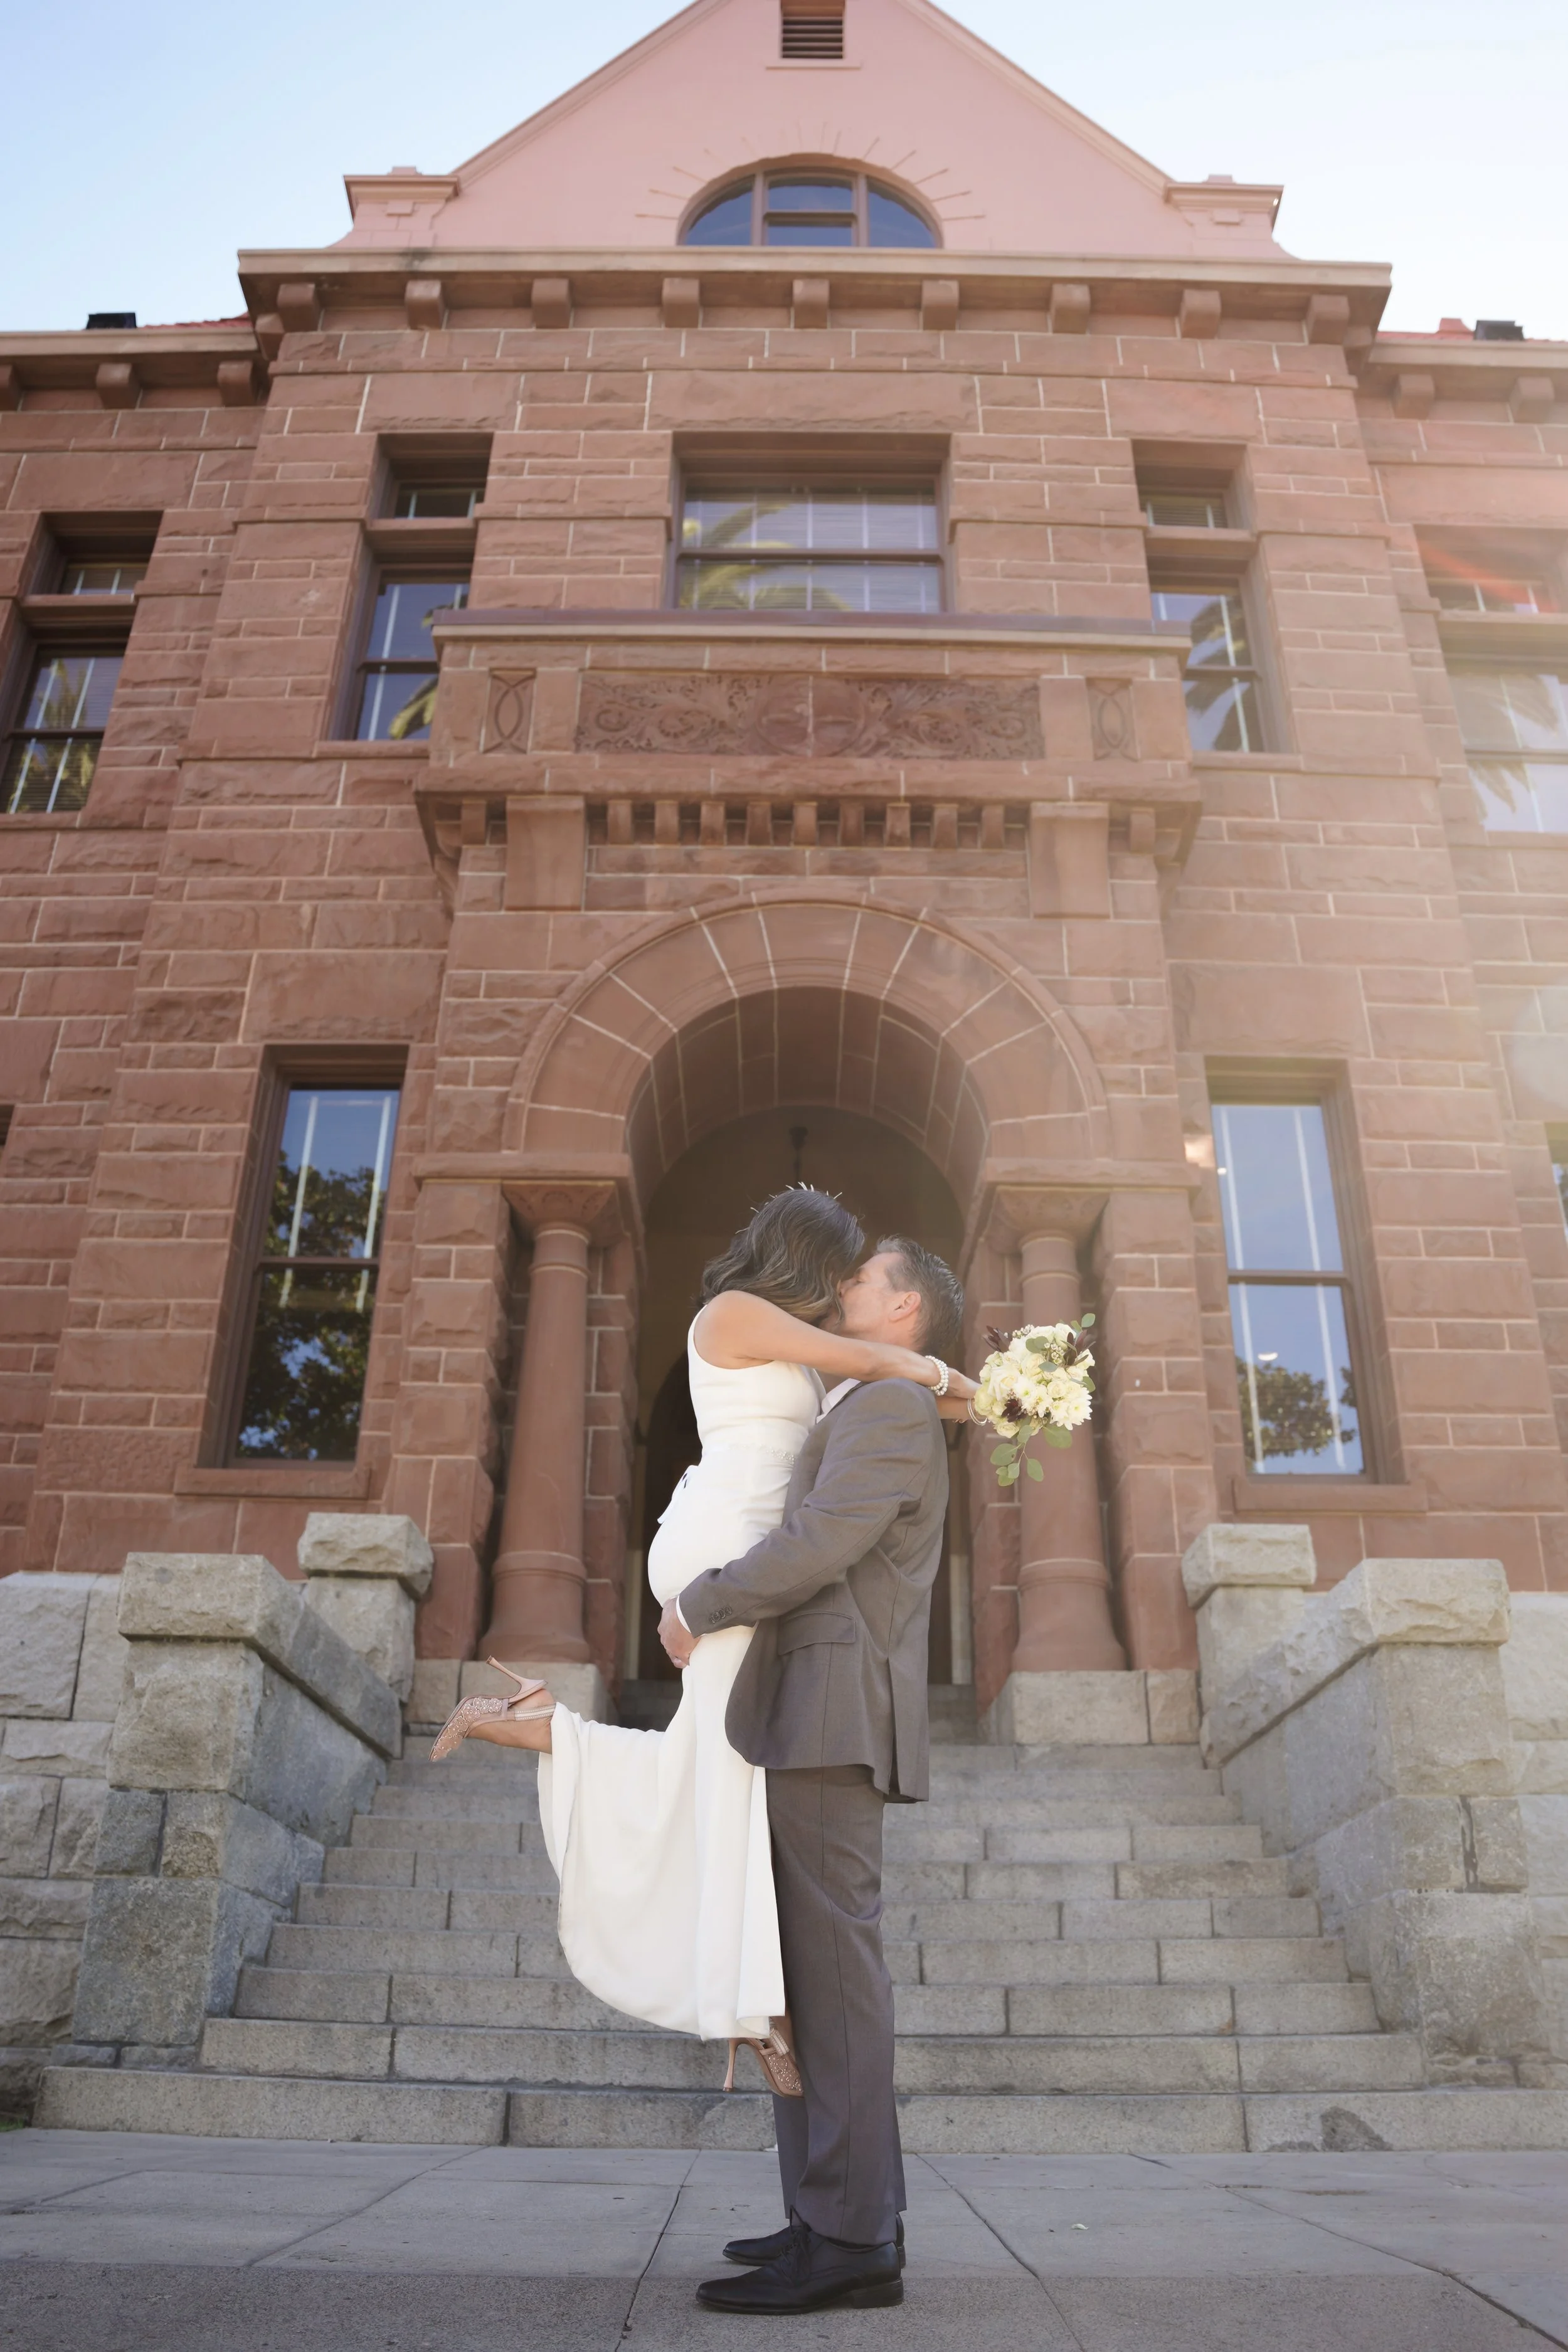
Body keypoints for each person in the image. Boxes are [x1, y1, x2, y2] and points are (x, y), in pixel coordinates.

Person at [427, 1191, 973, 2132]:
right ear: (801, 1256)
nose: (843, 1286)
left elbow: (882, 1386)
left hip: (747, 1558)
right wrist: (950, 1377)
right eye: (838, 1266)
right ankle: (749, 2004)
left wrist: (1003, 1398)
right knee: (725, 1771)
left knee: (711, 1761)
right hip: (726, 1550)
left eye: (859, 1275)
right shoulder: (731, 1314)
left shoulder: (800, 1343)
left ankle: (546, 1732)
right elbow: (878, 1360)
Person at [662, 1229, 965, 2314]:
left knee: (834, 1983)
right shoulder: (873, 1395)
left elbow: (827, 1537)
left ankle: (849, 2239)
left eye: (866, 1276)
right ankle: (826, 2213)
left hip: (836, 1713)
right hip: (805, 1709)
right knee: (803, 1980)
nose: (844, 1285)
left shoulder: (888, 1408)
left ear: (905, 1311)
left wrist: (702, 1600)